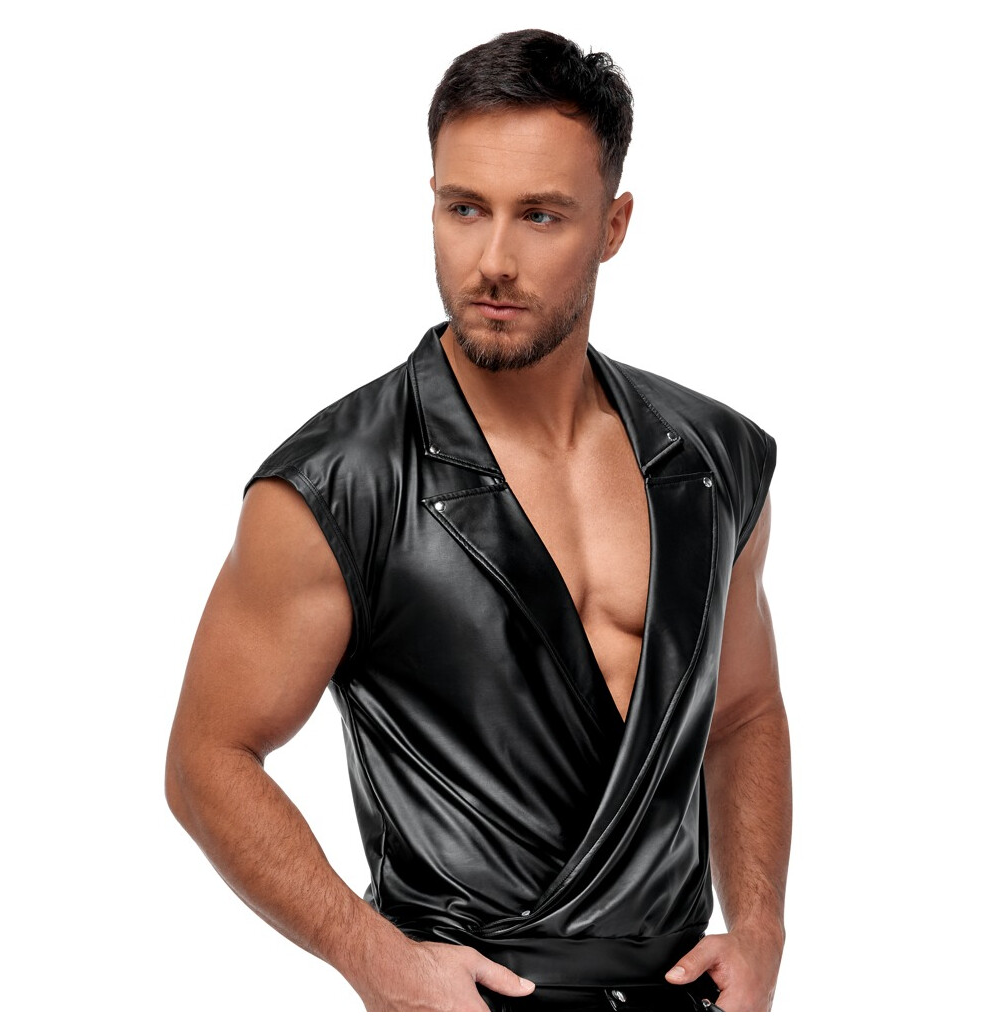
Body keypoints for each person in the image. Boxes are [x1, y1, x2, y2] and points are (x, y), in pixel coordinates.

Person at [165, 28, 791, 1013]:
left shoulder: (714, 458)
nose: (493, 261)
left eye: (540, 215)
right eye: (465, 208)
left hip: (681, 998)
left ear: (613, 224)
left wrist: (759, 928)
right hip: (460, 1000)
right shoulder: (337, 483)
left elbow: (744, 710)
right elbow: (206, 760)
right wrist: (375, 958)